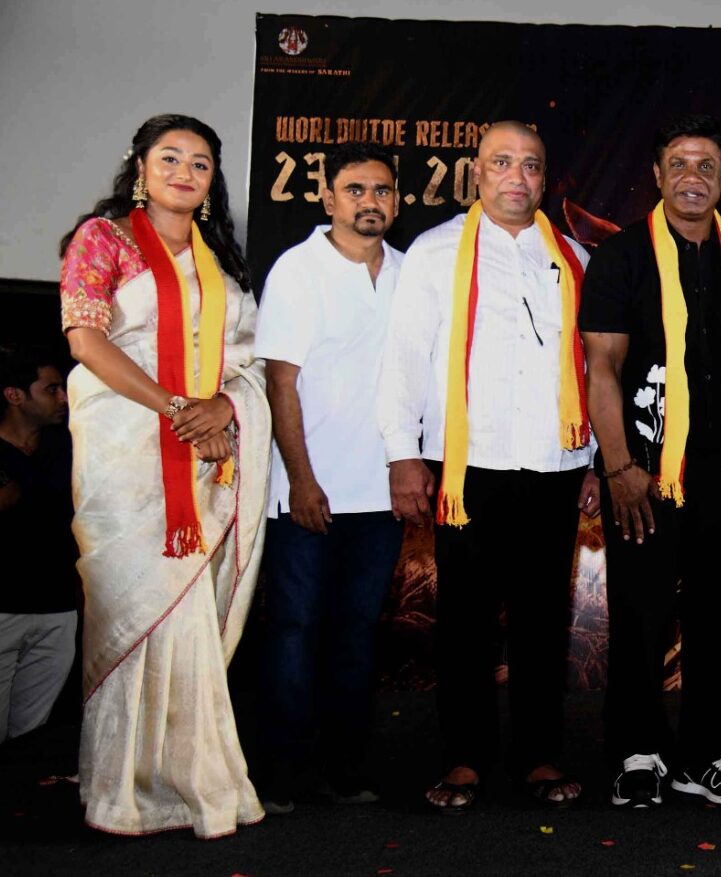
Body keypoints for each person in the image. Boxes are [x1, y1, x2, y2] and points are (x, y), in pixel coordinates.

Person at [378, 122, 600, 811]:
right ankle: (464, 759)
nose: (516, 176)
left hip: (555, 466)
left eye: (530, 165)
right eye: (501, 162)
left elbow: (592, 369)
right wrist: (402, 453)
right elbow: (404, 358)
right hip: (467, 468)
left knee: (542, 620)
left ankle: (538, 757)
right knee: (465, 623)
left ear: (544, 179)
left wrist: (594, 460)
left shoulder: (574, 258)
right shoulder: (436, 251)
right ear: (476, 173)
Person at [58, 114, 270, 837]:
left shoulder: (221, 265)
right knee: (132, 603)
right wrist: (176, 408)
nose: (185, 172)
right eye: (170, 157)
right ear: (140, 168)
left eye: (200, 163)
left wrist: (221, 410)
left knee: (189, 619)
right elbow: (86, 340)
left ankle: (189, 781)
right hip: (126, 453)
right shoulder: (104, 238)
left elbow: (247, 361)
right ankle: (120, 789)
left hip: (206, 455)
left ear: (213, 182)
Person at [580, 114, 721, 809]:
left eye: (706, 166)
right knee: (639, 617)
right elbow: (602, 369)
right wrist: (617, 466)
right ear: (658, 175)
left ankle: (709, 755)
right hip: (643, 474)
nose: (693, 178)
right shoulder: (622, 256)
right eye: (679, 164)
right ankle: (637, 752)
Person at [253, 142, 405, 812]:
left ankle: (344, 769)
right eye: (355, 190)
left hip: (380, 493)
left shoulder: (408, 272)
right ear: (328, 198)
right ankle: (281, 774)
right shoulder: (298, 269)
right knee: (293, 629)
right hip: (307, 491)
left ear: (397, 200)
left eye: (382, 190)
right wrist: (301, 479)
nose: (370, 201)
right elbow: (280, 382)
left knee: (357, 633)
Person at [0, 346, 77, 744]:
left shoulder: (68, 446)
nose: (63, 398)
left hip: (57, 610)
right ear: (15, 395)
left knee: (30, 738)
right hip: (4, 609)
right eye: (51, 389)